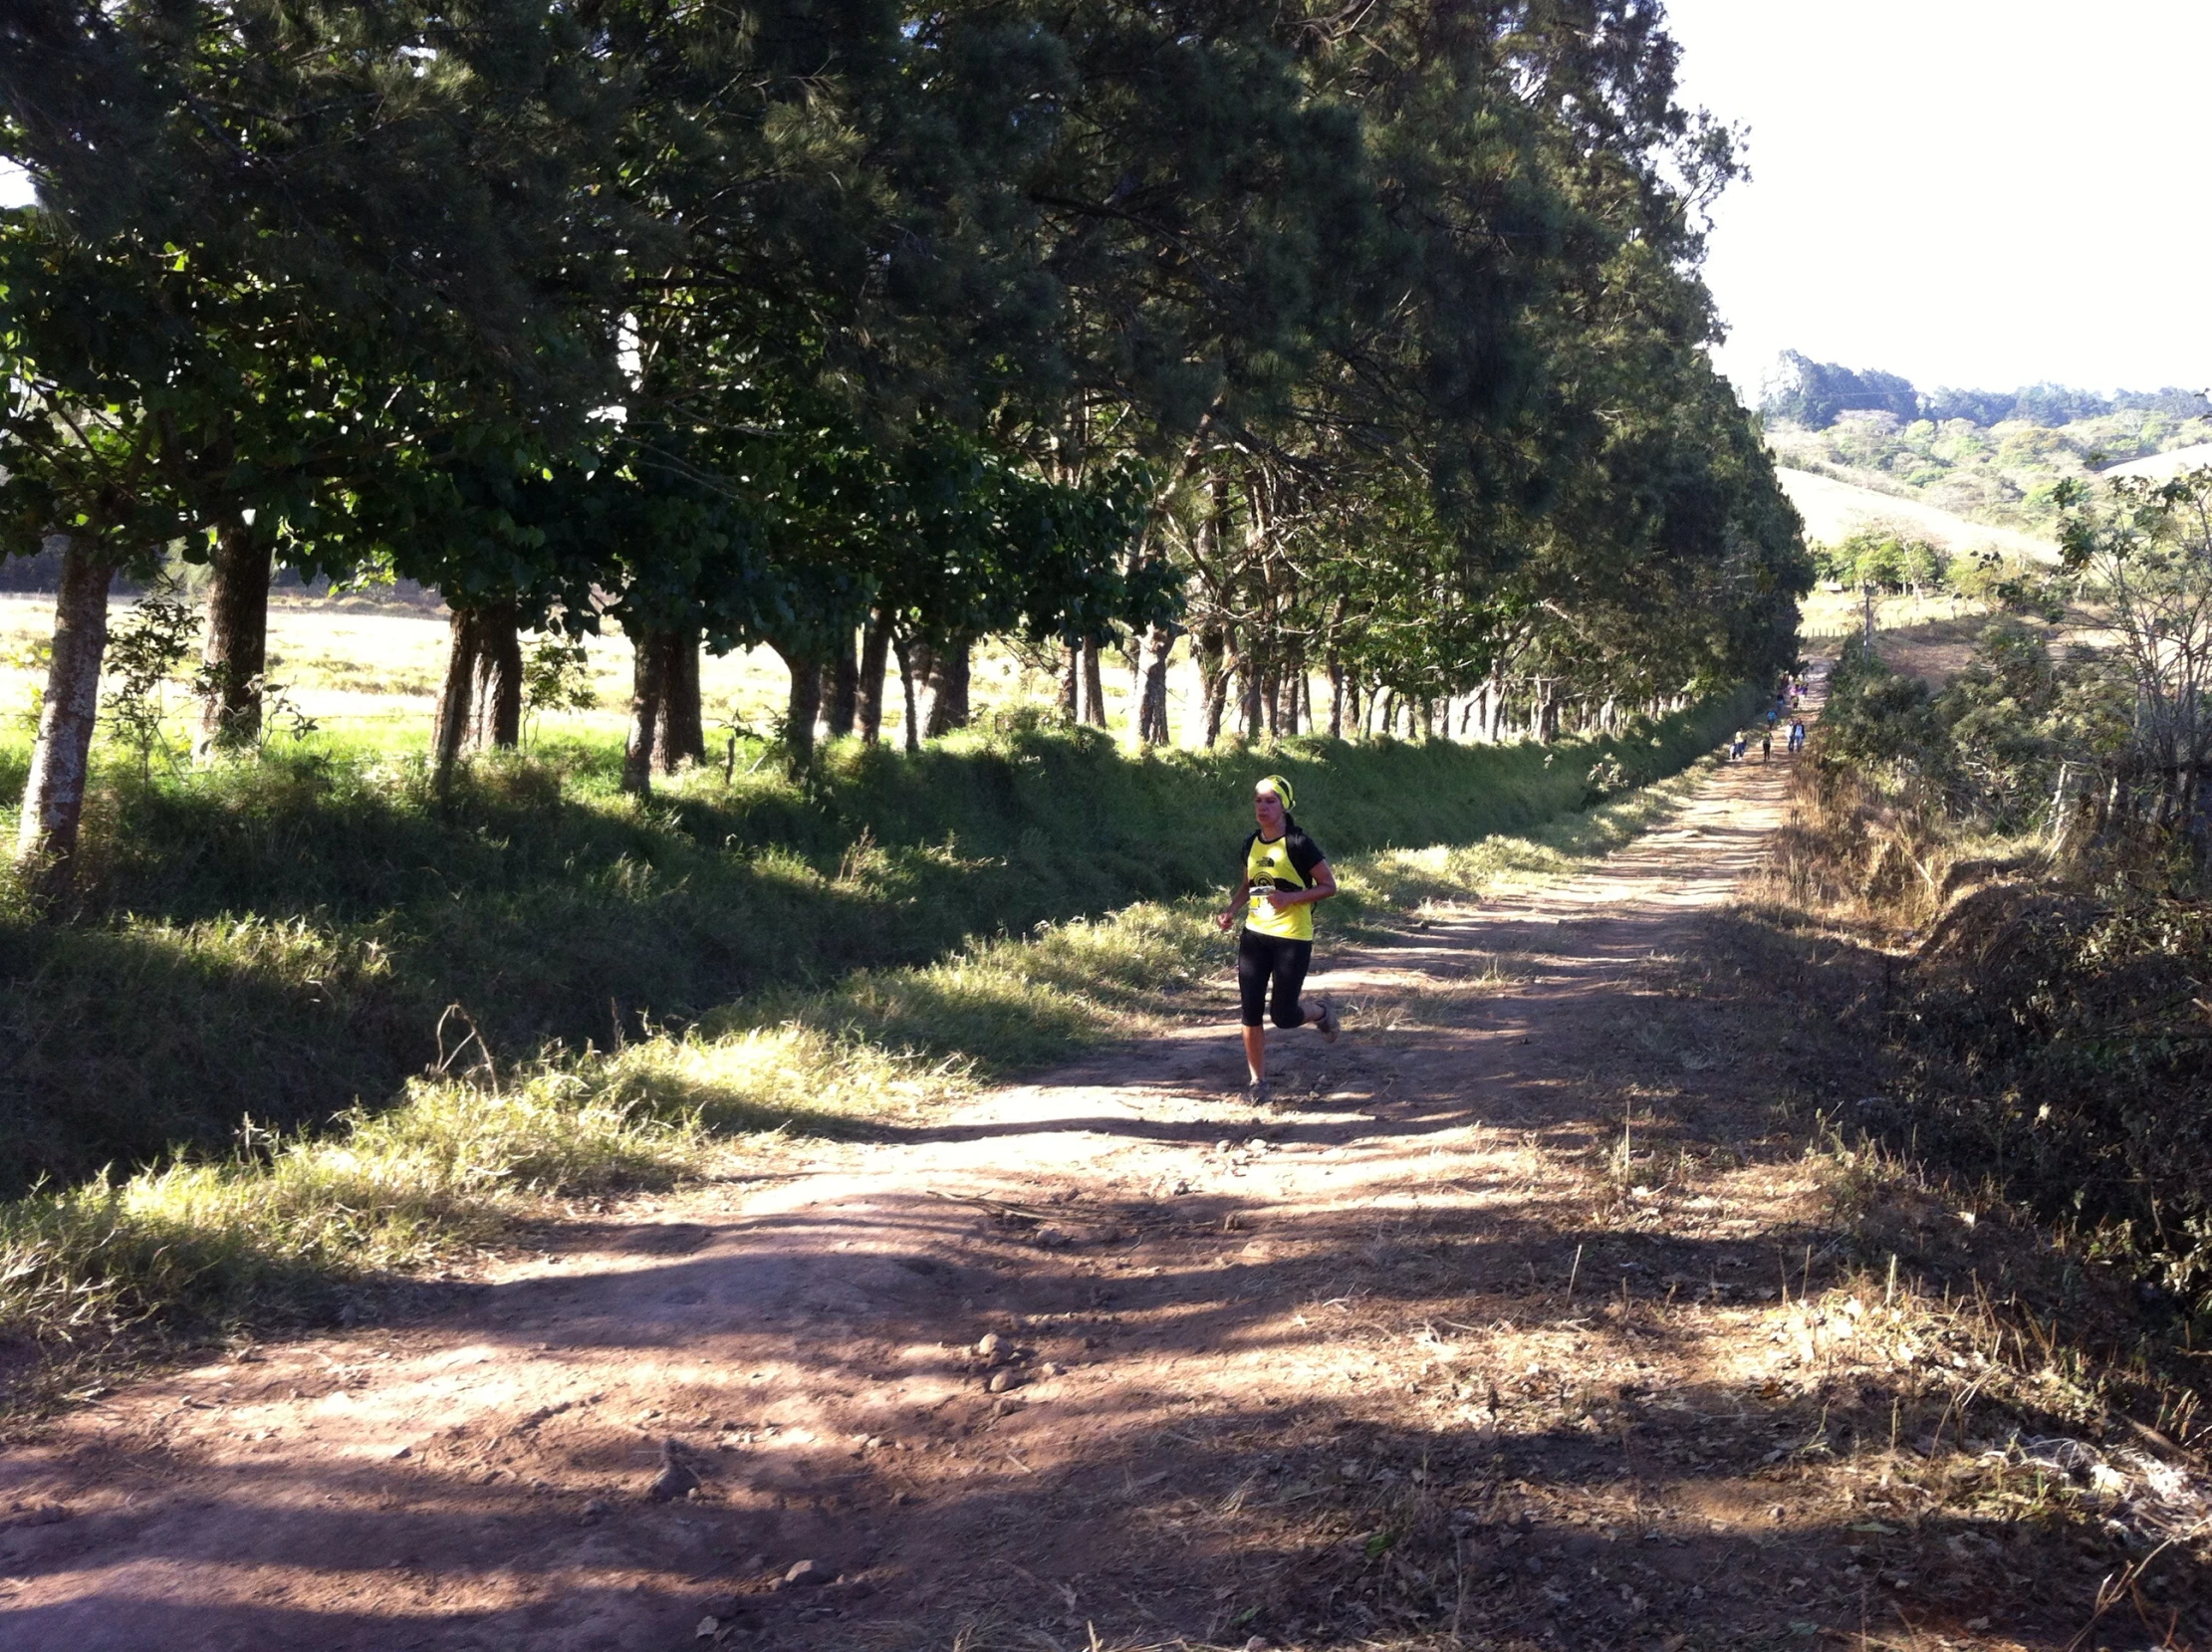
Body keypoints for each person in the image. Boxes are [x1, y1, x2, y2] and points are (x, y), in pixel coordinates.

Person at [1215, 774, 1340, 1103]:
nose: (1262, 807)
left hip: (1292, 938)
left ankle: (1322, 1011)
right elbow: (1252, 885)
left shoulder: (1299, 844)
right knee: (1250, 1011)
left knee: (1283, 1017)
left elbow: (1329, 886)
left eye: (1270, 801)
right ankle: (1258, 1083)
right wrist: (1231, 911)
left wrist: (1291, 899)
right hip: (1255, 936)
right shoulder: (1251, 843)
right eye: (1258, 800)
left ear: (1284, 806)